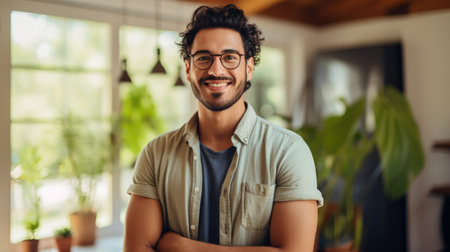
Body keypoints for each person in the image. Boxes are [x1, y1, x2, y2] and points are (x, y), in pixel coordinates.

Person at [123, 4, 323, 252]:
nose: (216, 70)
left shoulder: (288, 152)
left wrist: (185, 248)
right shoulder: (156, 154)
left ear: (249, 68)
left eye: (229, 57)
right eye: (203, 58)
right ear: (188, 68)